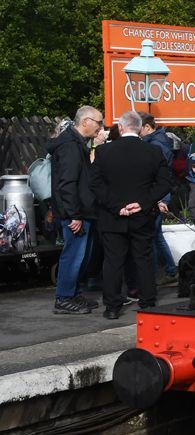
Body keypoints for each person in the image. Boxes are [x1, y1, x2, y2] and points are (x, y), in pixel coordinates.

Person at [89, 111, 173, 320]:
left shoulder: (103, 152)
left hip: (112, 216)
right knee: (143, 258)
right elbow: (164, 183)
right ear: (139, 128)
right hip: (141, 215)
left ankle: (112, 306)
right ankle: (147, 301)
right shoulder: (153, 152)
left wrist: (116, 206)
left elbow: (95, 184)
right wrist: (143, 203)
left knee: (113, 261)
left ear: (121, 127)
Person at [46, 106, 104, 314]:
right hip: (76, 212)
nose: (101, 127)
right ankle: (64, 297)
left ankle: (73, 293)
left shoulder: (77, 144)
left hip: (83, 210)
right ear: (85, 121)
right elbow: (67, 183)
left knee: (82, 255)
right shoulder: (70, 146)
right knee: (73, 255)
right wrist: (73, 214)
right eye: (99, 122)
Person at [139, 113, 178, 282]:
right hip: (160, 193)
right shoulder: (158, 141)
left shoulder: (156, 145)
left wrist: (159, 199)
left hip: (157, 193)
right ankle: (170, 269)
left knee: (152, 236)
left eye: (139, 129)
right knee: (156, 235)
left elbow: (157, 173)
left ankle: (154, 274)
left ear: (147, 127)